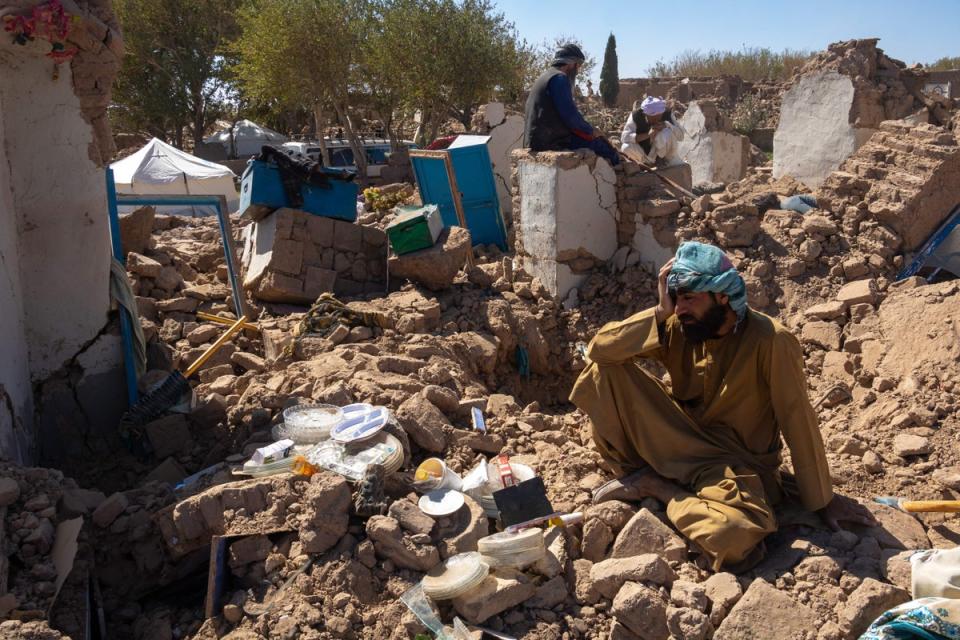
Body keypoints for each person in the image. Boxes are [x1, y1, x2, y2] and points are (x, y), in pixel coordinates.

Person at [570, 241, 875, 571]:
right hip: (682, 442)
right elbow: (600, 350)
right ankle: (643, 472)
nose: (681, 308)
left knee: (733, 534)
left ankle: (658, 487)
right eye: (677, 298)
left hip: (734, 467)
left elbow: (796, 418)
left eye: (690, 298)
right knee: (602, 371)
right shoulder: (677, 325)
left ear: (722, 296)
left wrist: (822, 500)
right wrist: (660, 311)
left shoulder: (771, 340)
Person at [524, 43, 619, 166]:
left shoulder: (546, 76)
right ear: (571, 64)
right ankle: (621, 175)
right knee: (603, 147)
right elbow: (570, 117)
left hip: (536, 139)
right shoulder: (560, 78)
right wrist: (592, 131)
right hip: (551, 141)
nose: (578, 71)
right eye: (578, 66)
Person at [621, 96, 684, 166]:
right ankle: (646, 164)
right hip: (645, 155)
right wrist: (648, 135)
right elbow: (624, 138)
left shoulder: (667, 114)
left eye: (658, 117)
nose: (656, 121)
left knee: (666, 132)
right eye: (653, 118)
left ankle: (663, 161)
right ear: (645, 114)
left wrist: (667, 125)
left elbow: (681, 136)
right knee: (625, 147)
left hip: (664, 154)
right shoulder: (635, 116)